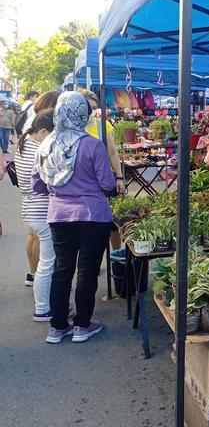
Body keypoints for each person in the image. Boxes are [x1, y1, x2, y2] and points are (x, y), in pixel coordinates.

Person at [32, 91, 115, 344]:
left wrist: (60, 187)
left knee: (62, 270)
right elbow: (107, 182)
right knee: (87, 272)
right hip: (93, 215)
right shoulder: (91, 144)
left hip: (58, 216)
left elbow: (37, 185)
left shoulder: (45, 145)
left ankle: (57, 327)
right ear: (83, 114)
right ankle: (82, 325)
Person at [15, 110, 56, 321]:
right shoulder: (39, 150)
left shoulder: (24, 145)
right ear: (42, 131)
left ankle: (47, 305)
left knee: (46, 264)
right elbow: (46, 182)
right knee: (47, 264)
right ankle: (43, 309)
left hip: (30, 208)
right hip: (41, 210)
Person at [22, 91, 61, 285]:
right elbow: (41, 179)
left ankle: (33, 276)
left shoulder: (26, 137)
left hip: (29, 202)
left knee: (33, 236)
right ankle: (44, 304)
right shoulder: (39, 146)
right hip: (40, 205)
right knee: (47, 263)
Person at [79, 89, 125, 195]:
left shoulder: (103, 125)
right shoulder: (72, 127)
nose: (92, 111)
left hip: (101, 180)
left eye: (94, 108)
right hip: (80, 182)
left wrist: (119, 177)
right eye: (88, 107)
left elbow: (113, 153)